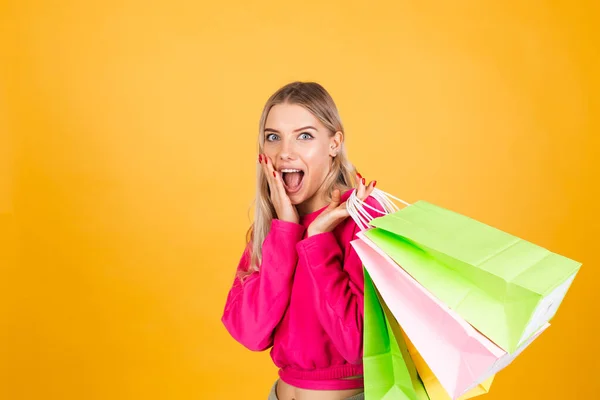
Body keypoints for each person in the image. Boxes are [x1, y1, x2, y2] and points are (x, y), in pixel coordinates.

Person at [221, 81, 383, 400]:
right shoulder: (271, 228)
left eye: (304, 136)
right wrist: (285, 232)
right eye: (273, 137)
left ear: (334, 143)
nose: (285, 152)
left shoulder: (365, 219)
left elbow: (358, 344)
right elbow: (250, 333)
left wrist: (318, 240)